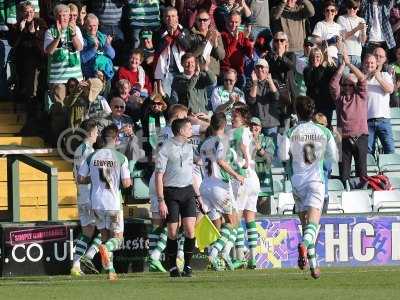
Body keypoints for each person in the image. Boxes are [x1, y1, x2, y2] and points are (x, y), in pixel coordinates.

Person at [278, 96, 338, 279]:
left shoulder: (291, 132)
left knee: (305, 224)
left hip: (297, 181)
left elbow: (282, 156)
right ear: (313, 111)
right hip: (315, 180)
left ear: (297, 112)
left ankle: (313, 265)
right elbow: (334, 156)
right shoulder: (324, 131)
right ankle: (304, 245)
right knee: (313, 224)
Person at [78, 124, 132, 281]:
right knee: (117, 239)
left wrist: (93, 178)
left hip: (96, 203)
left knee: (105, 235)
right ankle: (105, 249)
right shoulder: (120, 158)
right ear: (115, 139)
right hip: (113, 203)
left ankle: (110, 271)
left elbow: (80, 179)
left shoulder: (92, 156)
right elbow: (127, 183)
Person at [200, 112, 244, 271]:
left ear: (211, 125)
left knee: (219, 224)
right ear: (224, 125)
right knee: (233, 223)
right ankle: (215, 252)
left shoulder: (204, 143)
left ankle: (222, 254)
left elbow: (198, 161)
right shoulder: (222, 141)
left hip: (205, 186)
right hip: (219, 186)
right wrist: (236, 174)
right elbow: (220, 161)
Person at [155, 118, 198, 277]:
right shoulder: (165, 148)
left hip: (187, 191)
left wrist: (198, 195)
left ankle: (187, 266)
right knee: (172, 232)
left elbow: (190, 172)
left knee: (190, 229)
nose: (191, 130)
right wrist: (161, 201)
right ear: (180, 131)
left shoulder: (189, 147)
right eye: (188, 128)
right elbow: (158, 176)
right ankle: (172, 267)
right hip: (171, 192)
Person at [228, 106, 261, 269]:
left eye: (236, 116)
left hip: (242, 177)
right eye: (233, 115)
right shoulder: (248, 131)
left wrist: (246, 159)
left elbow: (242, 146)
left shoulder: (238, 131)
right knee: (250, 218)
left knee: (236, 217)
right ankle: (253, 258)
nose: (233, 118)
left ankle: (239, 255)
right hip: (253, 178)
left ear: (243, 118)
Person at [330, 50, 368, 186]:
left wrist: (349, 64)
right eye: (345, 84)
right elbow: (334, 84)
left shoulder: (361, 96)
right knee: (344, 174)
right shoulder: (339, 98)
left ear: (355, 86)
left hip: (361, 137)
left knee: (362, 172)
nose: (347, 87)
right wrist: (342, 66)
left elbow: (363, 79)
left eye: (351, 85)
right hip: (342, 137)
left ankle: (362, 197)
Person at [70, 119, 102, 276]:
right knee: (107, 228)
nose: (97, 135)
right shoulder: (89, 152)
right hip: (91, 195)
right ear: (90, 132)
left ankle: (76, 265)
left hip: (82, 195)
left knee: (87, 231)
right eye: (96, 132)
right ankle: (89, 256)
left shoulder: (78, 150)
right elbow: (89, 175)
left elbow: (75, 175)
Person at [7, 1, 47, 107]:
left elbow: (43, 41)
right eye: (26, 12)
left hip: (37, 61)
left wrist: (34, 33)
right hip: (22, 63)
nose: (29, 14)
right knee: (26, 88)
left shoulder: (40, 22)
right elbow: (13, 43)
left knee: (36, 87)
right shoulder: (16, 25)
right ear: (21, 13)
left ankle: (35, 106)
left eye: (31, 11)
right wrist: (20, 30)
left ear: (34, 12)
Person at [154, 6, 191, 96]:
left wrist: (177, 34)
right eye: (167, 16)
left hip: (181, 70)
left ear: (177, 17)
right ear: (163, 18)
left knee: (181, 97)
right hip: (166, 72)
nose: (170, 19)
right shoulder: (158, 32)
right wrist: (168, 37)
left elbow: (188, 47)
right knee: (167, 97)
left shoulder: (185, 31)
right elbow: (158, 49)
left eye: (173, 16)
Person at [363, 54, 395, 154]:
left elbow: (390, 89)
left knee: (390, 150)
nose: (369, 65)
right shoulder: (361, 78)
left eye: (372, 63)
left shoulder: (385, 75)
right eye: (367, 63)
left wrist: (379, 78)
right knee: (368, 153)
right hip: (367, 121)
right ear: (363, 64)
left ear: (376, 64)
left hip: (383, 120)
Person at [43, 4, 83, 85]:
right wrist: (58, 37)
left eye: (64, 15)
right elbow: (49, 51)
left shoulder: (76, 29)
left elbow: (79, 47)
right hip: (57, 80)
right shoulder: (50, 31)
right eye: (59, 16)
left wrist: (73, 34)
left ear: (69, 16)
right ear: (55, 17)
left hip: (76, 78)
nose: (62, 18)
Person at [97, 97, 145, 162]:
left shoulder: (128, 119)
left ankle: (130, 169)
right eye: (116, 107)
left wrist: (132, 134)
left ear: (124, 109)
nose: (119, 109)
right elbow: (100, 142)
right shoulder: (103, 122)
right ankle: (129, 170)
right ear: (111, 107)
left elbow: (136, 140)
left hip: (128, 147)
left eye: (122, 107)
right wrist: (118, 132)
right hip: (114, 147)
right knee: (134, 149)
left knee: (138, 149)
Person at [245, 58, 280, 140]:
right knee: (254, 149)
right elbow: (251, 100)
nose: (260, 69)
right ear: (254, 70)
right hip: (256, 124)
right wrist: (255, 83)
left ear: (267, 69)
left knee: (271, 149)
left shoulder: (274, 82)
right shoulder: (250, 83)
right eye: (257, 67)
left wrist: (270, 81)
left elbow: (276, 97)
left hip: (271, 123)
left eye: (262, 67)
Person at [303, 47, 337, 126]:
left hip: (326, 105)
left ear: (321, 57)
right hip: (313, 105)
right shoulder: (307, 70)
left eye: (317, 56)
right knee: (314, 128)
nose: (315, 59)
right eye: (312, 57)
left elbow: (336, 75)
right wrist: (323, 65)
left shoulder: (326, 68)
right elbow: (316, 79)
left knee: (326, 127)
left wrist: (330, 61)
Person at [220, 10, 253, 89]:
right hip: (226, 71)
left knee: (243, 85)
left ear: (240, 22)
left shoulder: (242, 34)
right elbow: (227, 54)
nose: (234, 25)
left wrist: (246, 38)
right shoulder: (222, 35)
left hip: (239, 71)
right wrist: (235, 39)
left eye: (236, 22)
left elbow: (250, 54)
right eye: (231, 22)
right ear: (227, 21)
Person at [188, 9, 225, 78]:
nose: (202, 22)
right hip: (197, 73)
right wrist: (205, 40)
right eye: (200, 20)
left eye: (205, 20)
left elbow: (221, 56)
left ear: (209, 21)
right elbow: (193, 55)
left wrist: (215, 43)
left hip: (213, 73)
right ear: (196, 21)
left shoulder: (216, 34)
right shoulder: (191, 34)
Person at [81, 13, 115, 81]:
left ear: (98, 25)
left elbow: (112, 55)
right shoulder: (82, 39)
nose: (93, 28)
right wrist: (93, 49)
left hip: (105, 73)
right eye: (90, 26)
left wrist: (107, 45)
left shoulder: (103, 37)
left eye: (94, 25)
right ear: (85, 26)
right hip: (91, 74)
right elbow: (82, 59)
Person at [337, 0, 367, 68]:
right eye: (349, 7)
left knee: (355, 78)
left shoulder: (362, 20)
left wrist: (362, 31)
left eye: (354, 8)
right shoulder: (341, 18)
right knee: (345, 77)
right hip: (344, 54)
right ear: (346, 8)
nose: (352, 9)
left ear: (358, 8)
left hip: (357, 55)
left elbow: (362, 41)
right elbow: (343, 36)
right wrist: (357, 28)